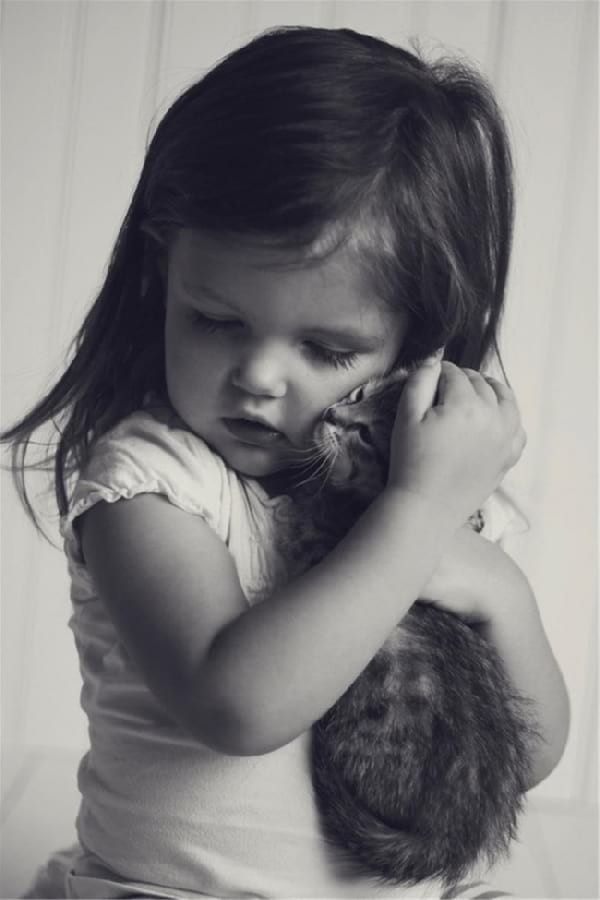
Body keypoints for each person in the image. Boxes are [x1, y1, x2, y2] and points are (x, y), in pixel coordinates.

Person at [3, 25, 569, 900]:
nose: (260, 378)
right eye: (217, 321)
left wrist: (501, 587)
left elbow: (525, 757)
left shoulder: (418, 488)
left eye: (327, 348)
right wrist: (413, 520)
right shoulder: (154, 484)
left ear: (413, 349)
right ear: (163, 280)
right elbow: (239, 707)